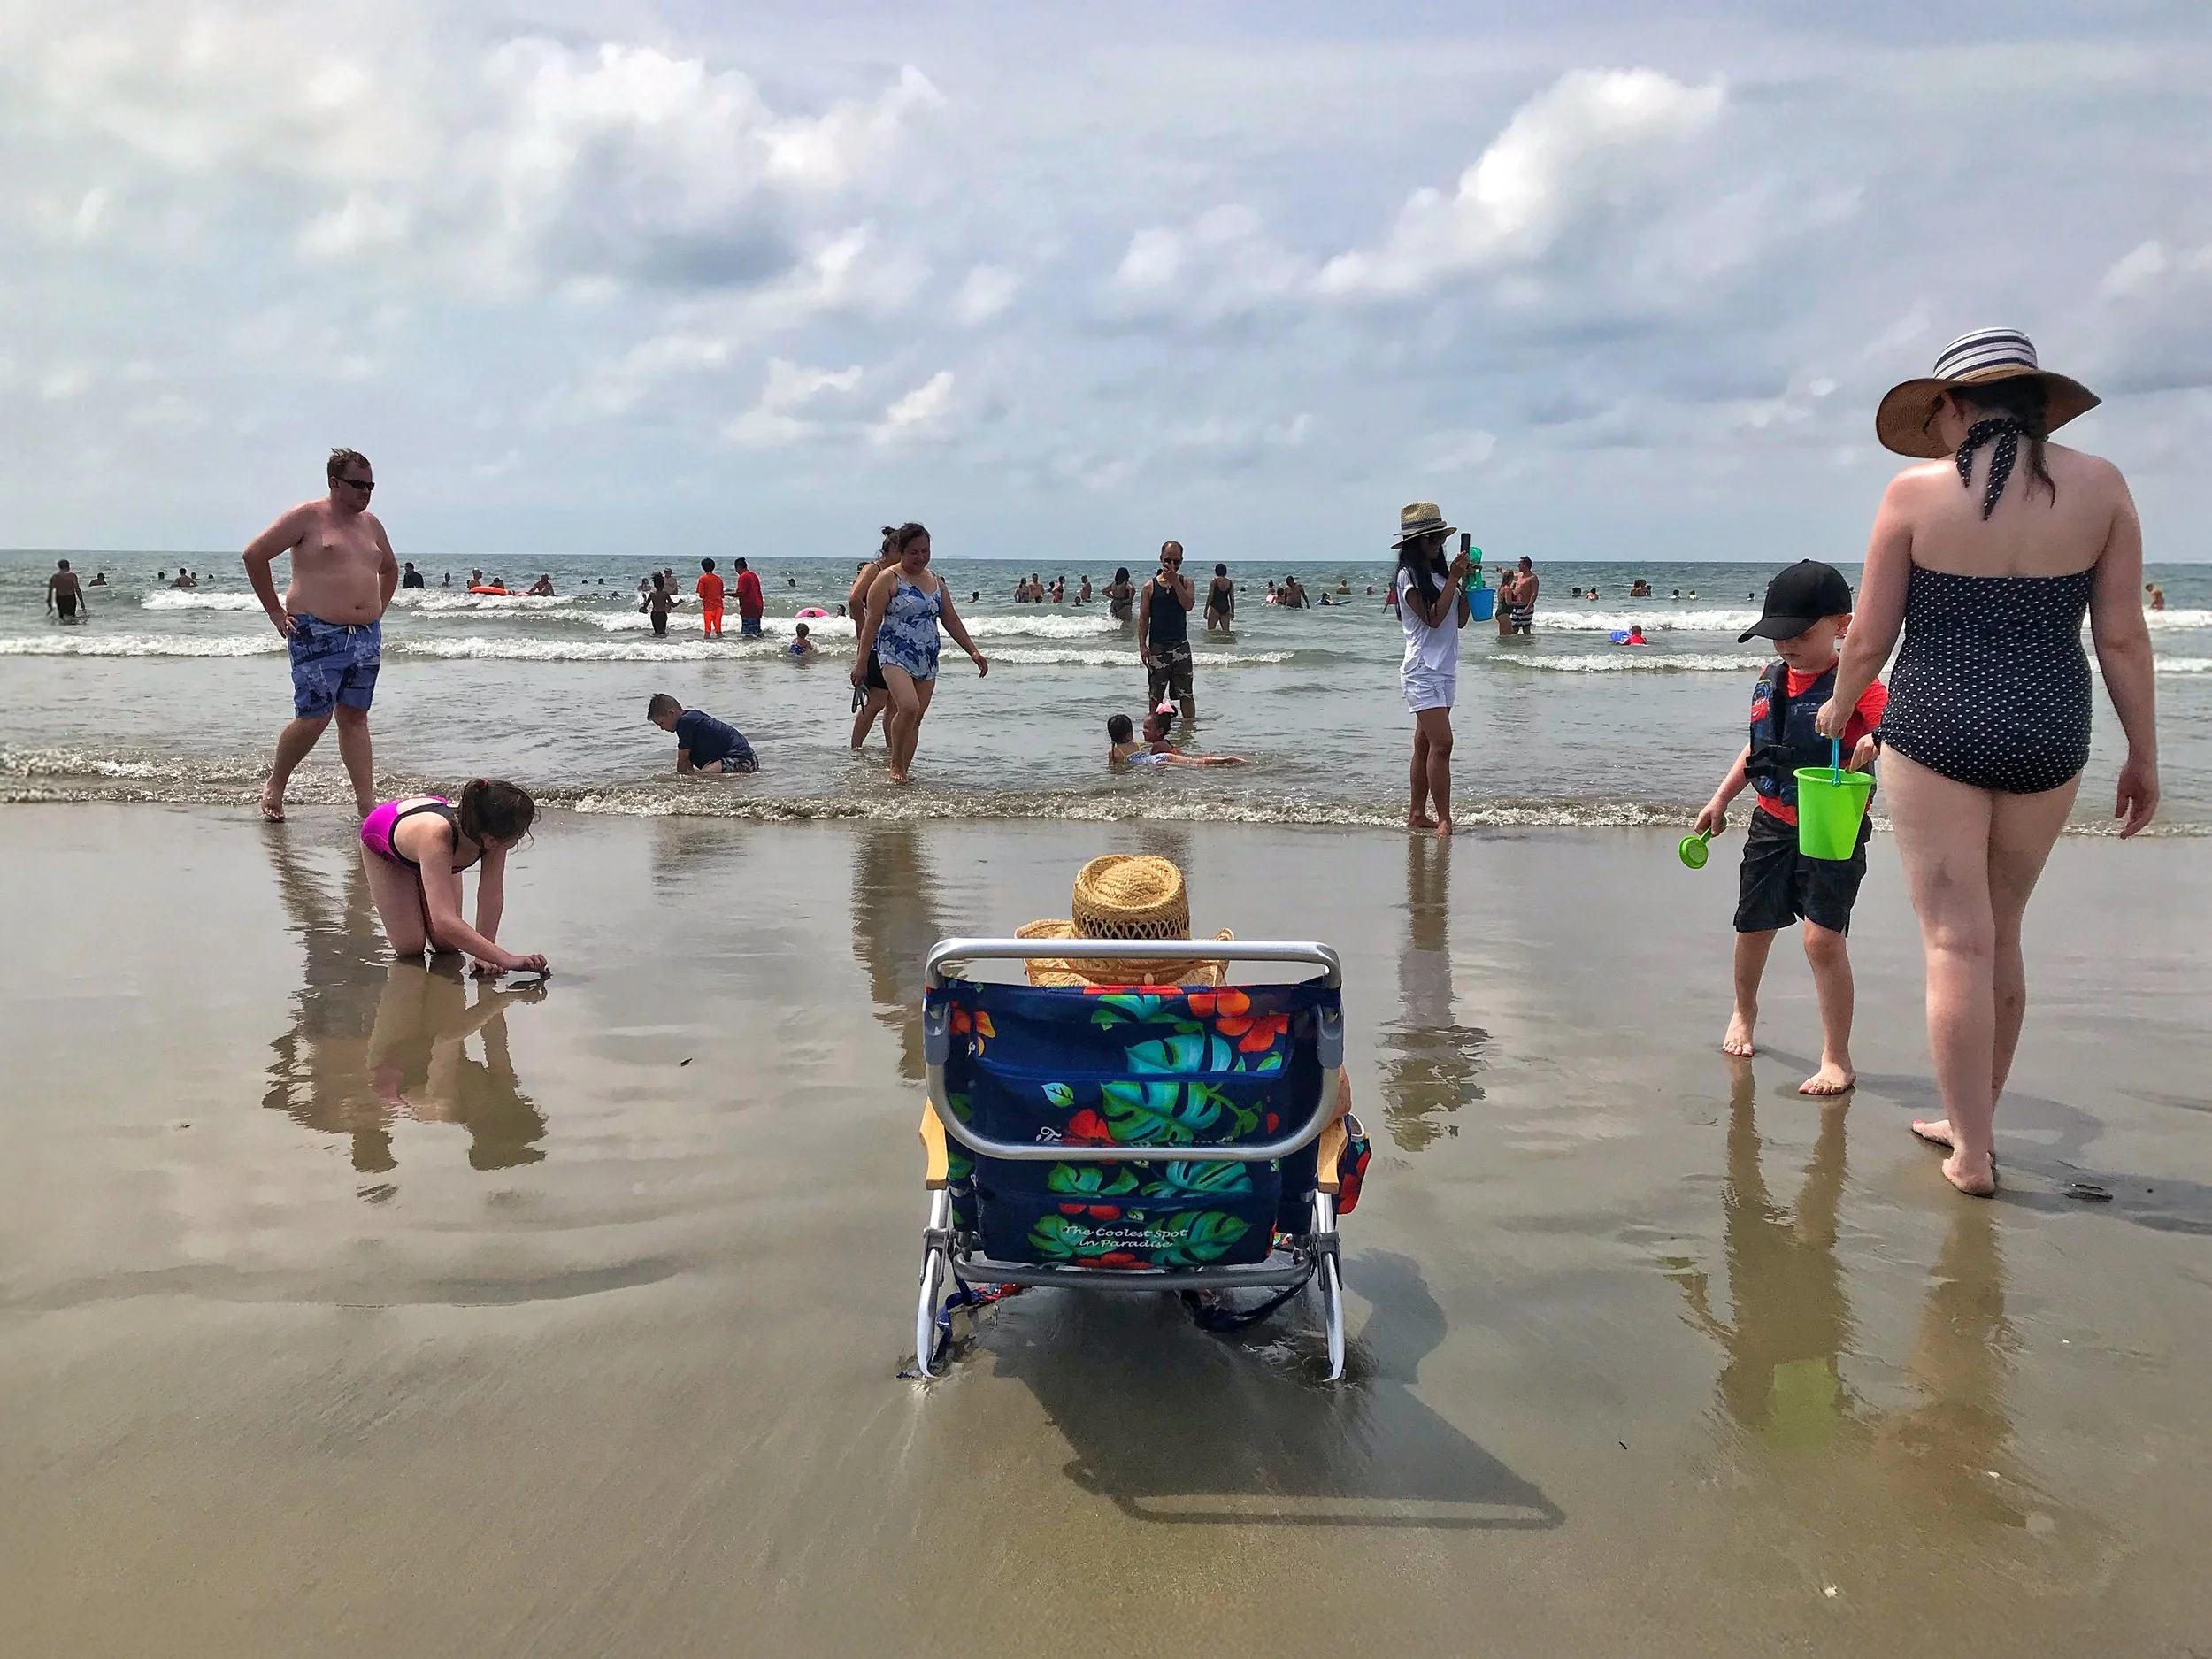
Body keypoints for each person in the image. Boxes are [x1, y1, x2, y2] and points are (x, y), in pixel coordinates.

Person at [1816, 327, 2158, 1196]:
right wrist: (2142, 753)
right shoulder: (2102, 487)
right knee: (2000, 936)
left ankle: (1968, 1150)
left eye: (1937, 411)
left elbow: (1871, 634)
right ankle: (1978, 1129)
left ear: (1957, 408)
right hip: (2051, 726)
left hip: (1935, 725)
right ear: (2038, 405)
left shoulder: (1913, 495)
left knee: (1953, 944)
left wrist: (1833, 701)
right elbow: (2119, 635)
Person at [1694, 560, 1886, 1097]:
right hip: (1771, 823)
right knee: (1752, 927)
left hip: (1834, 828)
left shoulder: (1859, 686)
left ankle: (1836, 1058)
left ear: (1841, 625)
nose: (1786, 646)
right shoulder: (1772, 679)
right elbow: (1758, 749)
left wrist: (1876, 743)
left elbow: (1895, 728)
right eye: (1777, 635)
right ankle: (1744, 1012)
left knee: (1821, 939)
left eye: (1800, 634)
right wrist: (1720, 799)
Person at [242, 447, 398, 821]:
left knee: (356, 717)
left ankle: (365, 804)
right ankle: (275, 786)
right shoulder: (308, 517)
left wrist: (378, 608)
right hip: (316, 631)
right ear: (334, 482)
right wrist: (275, 612)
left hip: (364, 636)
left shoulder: (372, 525)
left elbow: (389, 569)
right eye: (358, 484)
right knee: (314, 717)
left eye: (371, 484)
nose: (366, 492)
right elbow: (254, 555)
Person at [357, 780, 549, 975]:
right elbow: (444, 920)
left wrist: (485, 956)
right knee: (410, 946)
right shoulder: (437, 837)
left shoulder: (492, 837)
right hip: (384, 837)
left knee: (447, 943)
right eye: (519, 835)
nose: (519, 839)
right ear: (491, 839)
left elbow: (490, 896)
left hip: (431, 847)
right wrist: (507, 959)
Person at [850, 521, 989, 784]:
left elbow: (951, 619)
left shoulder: (934, 581)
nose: (921, 557)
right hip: (893, 654)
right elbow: (872, 622)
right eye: (914, 552)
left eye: (925, 551)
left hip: (926, 658)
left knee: (916, 718)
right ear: (901, 551)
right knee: (909, 706)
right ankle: (895, 763)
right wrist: (861, 662)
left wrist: (973, 651)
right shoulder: (887, 579)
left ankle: (903, 770)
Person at [1392, 502, 1473, 838]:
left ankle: (1416, 814)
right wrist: (1453, 579)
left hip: (1444, 668)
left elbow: (1459, 621)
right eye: (1432, 539)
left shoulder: (1441, 576)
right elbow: (1432, 618)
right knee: (1443, 743)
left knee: (1425, 745)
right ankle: (1443, 819)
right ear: (1416, 543)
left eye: (1440, 539)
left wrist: (1463, 585)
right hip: (1421, 669)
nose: (1438, 545)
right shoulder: (1408, 577)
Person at [849, 530, 900, 749]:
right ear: (892, 550)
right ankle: (855, 748)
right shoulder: (874, 569)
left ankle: (892, 751)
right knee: (876, 701)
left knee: (895, 705)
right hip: (875, 646)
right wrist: (863, 630)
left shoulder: (896, 573)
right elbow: (853, 599)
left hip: (894, 645)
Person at [1136, 540, 1198, 721]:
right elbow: (1143, 618)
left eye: (1176, 561)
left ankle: (1189, 731)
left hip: (1180, 645)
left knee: (1186, 693)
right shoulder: (1150, 587)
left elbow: (1188, 605)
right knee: (1155, 694)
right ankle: (1154, 732)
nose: (1172, 565)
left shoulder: (1186, 583)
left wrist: (1175, 583)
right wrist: (1142, 645)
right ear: (1161, 559)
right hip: (1158, 647)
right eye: (1168, 560)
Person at [646, 693, 758, 773]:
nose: (661, 728)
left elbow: (682, 760)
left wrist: (679, 786)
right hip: (749, 759)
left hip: (742, 760)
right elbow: (688, 761)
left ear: (671, 713)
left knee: (703, 777)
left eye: (661, 723)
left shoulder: (685, 722)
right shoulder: (691, 718)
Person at [1125, 708, 1246, 764]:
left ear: (1159, 731)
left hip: (1180, 760)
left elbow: (1153, 762)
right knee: (1201, 760)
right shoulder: (1164, 742)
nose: (1143, 731)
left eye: (1147, 728)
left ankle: (1226, 760)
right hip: (1180, 756)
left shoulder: (1156, 746)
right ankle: (1225, 759)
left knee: (1201, 762)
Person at [1502, 556, 1537, 634]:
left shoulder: (1532, 578)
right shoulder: (1519, 575)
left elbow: (1534, 594)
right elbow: (1510, 575)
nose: (1518, 566)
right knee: (1514, 628)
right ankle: (1515, 645)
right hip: (1516, 606)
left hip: (1525, 606)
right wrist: (1501, 570)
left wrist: (1528, 607)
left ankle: (1527, 645)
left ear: (1525, 565)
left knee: (1526, 629)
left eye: (1520, 564)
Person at [45, 558, 87, 624]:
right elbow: (77, 589)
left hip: (60, 598)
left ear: (59, 566)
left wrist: (49, 603)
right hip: (70, 598)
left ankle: (63, 631)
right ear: (68, 566)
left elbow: (51, 591)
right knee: (71, 617)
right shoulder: (72, 576)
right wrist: (82, 602)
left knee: (62, 618)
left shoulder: (55, 577)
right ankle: (72, 630)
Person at [731, 557, 764, 636]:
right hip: (757, 606)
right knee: (757, 632)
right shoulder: (753, 575)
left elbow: (740, 593)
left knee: (748, 635)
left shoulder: (743, 577)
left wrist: (726, 594)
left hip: (749, 608)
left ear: (738, 567)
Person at [696, 557, 726, 638]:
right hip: (719, 606)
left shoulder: (702, 579)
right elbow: (722, 595)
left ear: (703, 567)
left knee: (707, 631)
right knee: (718, 630)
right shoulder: (718, 579)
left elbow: (701, 594)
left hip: (708, 607)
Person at [1204, 563, 1235, 633]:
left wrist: (1205, 610)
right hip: (1226, 608)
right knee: (1226, 632)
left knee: (1210, 631)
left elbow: (1210, 597)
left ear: (1216, 571)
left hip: (1215, 607)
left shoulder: (1214, 581)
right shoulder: (1230, 583)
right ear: (1225, 571)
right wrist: (1232, 611)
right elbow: (1232, 599)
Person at [646, 572, 674, 636]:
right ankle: (662, 644)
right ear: (663, 584)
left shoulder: (652, 594)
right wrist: (680, 602)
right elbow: (673, 605)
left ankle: (656, 643)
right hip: (662, 614)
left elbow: (645, 607)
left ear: (655, 585)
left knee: (656, 632)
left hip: (654, 614)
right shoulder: (665, 594)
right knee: (662, 632)